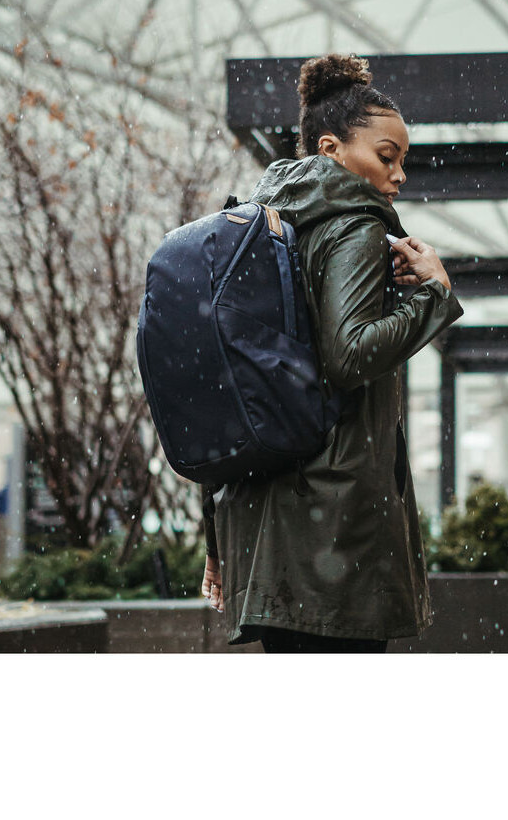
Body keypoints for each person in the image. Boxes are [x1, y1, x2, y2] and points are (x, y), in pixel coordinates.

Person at [200, 53, 464, 653]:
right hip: (334, 531)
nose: (399, 176)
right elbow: (350, 355)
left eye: (402, 161)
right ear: (331, 150)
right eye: (387, 157)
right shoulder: (354, 225)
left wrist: (217, 537)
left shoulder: (259, 229)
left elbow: (227, 388)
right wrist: (435, 294)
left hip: (262, 518)